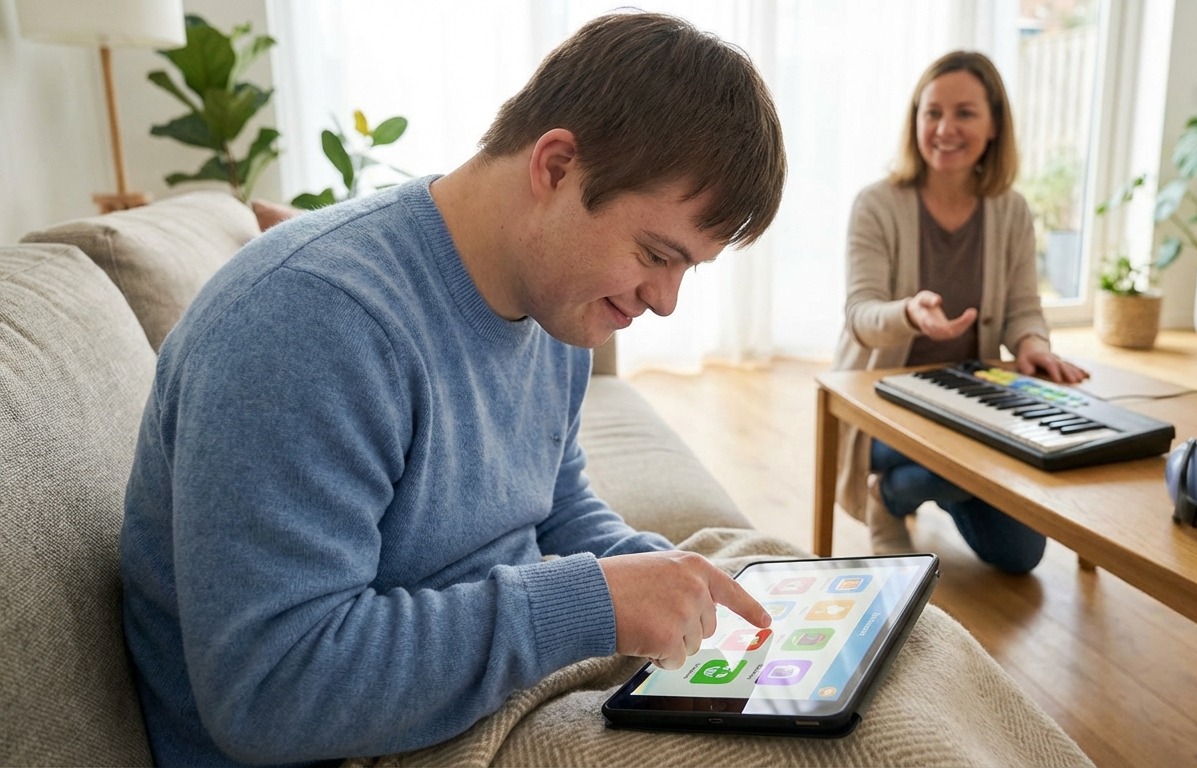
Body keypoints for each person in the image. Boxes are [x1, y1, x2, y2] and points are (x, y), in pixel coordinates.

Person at [119, 12, 786, 765]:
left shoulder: (555, 303)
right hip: (338, 741)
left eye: (686, 268)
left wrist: (673, 581)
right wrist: (594, 601)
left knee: (844, 623)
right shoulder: (310, 324)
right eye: (656, 254)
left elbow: (554, 504)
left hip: (468, 691)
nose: (664, 301)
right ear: (558, 166)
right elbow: (272, 693)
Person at [832, 50, 1087, 572]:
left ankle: (916, 490)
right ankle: (912, 489)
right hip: (882, 401)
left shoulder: (1010, 209)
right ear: (916, 120)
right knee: (967, 457)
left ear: (994, 126)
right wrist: (909, 312)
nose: (945, 128)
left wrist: (1035, 346)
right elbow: (861, 314)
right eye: (933, 113)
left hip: (966, 398)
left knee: (1020, 556)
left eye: (965, 113)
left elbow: (1022, 309)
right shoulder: (876, 204)